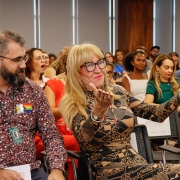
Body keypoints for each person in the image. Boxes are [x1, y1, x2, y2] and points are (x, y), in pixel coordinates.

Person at [60, 43, 180, 179]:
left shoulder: (118, 92)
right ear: (77, 70)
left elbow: (156, 114)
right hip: (105, 170)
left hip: (136, 165)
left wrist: (178, 97)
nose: (98, 70)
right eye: (90, 65)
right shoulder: (72, 101)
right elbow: (85, 139)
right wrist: (99, 110)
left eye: (100, 63)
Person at [0, 30, 67, 180]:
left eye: (24, 58)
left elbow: (51, 135)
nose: (24, 65)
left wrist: (57, 169)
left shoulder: (33, 91)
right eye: (17, 60)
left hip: (31, 172)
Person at [145, 54, 180, 151]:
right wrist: (171, 107)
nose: (170, 71)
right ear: (157, 68)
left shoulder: (178, 82)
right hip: (164, 122)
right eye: (167, 67)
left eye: (172, 68)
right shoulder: (152, 84)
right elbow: (147, 104)